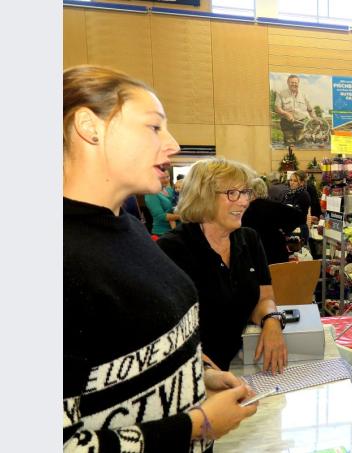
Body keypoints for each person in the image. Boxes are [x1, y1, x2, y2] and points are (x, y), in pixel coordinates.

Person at [64, 65, 255, 452]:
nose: (172, 143)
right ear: (89, 126)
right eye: (154, 127)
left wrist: (195, 374)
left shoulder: (126, 227)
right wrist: (197, 426)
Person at [158, 158, 288, 373]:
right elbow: (165, 333)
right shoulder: (172, 249)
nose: (244, 201)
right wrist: (207, 373)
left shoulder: (249, 239)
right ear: (203, 197)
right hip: (190, 373)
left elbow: (264, 297)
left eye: (245, 192)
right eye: (232, 193)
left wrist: (272, 320)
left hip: (234, 364)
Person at [242, 178, 307, 265]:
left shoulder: (245, 210)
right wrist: (285, 230)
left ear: (251, 192)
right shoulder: (275, 206)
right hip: (276, 252)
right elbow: (300, 217)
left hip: (253, 254)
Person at [274, 74, 316, 145]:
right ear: (288, 83)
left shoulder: (304, 94)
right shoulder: (281, 93)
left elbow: (310, 110)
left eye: (295, 83)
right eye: (292, 82)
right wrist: (286, 114)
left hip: (300, 123)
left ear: (298, 83)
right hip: (286, 123)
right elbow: (277, 108)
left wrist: (315, 119)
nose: (294, 84)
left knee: (300, 144)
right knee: (290, 145)